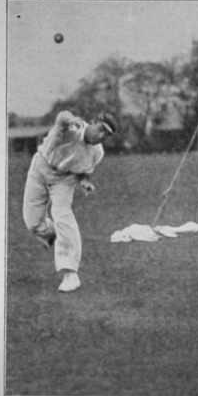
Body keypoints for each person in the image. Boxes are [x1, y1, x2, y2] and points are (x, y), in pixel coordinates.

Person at [22, 110, 117, 294]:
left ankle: (71, 274)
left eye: (106, 135)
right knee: (32, 223)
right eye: (100, 129)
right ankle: (53, 235)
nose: (101, 136)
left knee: (62, 214)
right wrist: (71, 119)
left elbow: (84, 170)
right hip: (40, 168)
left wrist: (84, 182)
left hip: (65, 179)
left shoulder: (98, 152)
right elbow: (62, 117)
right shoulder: (73, 129)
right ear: (92, 122)